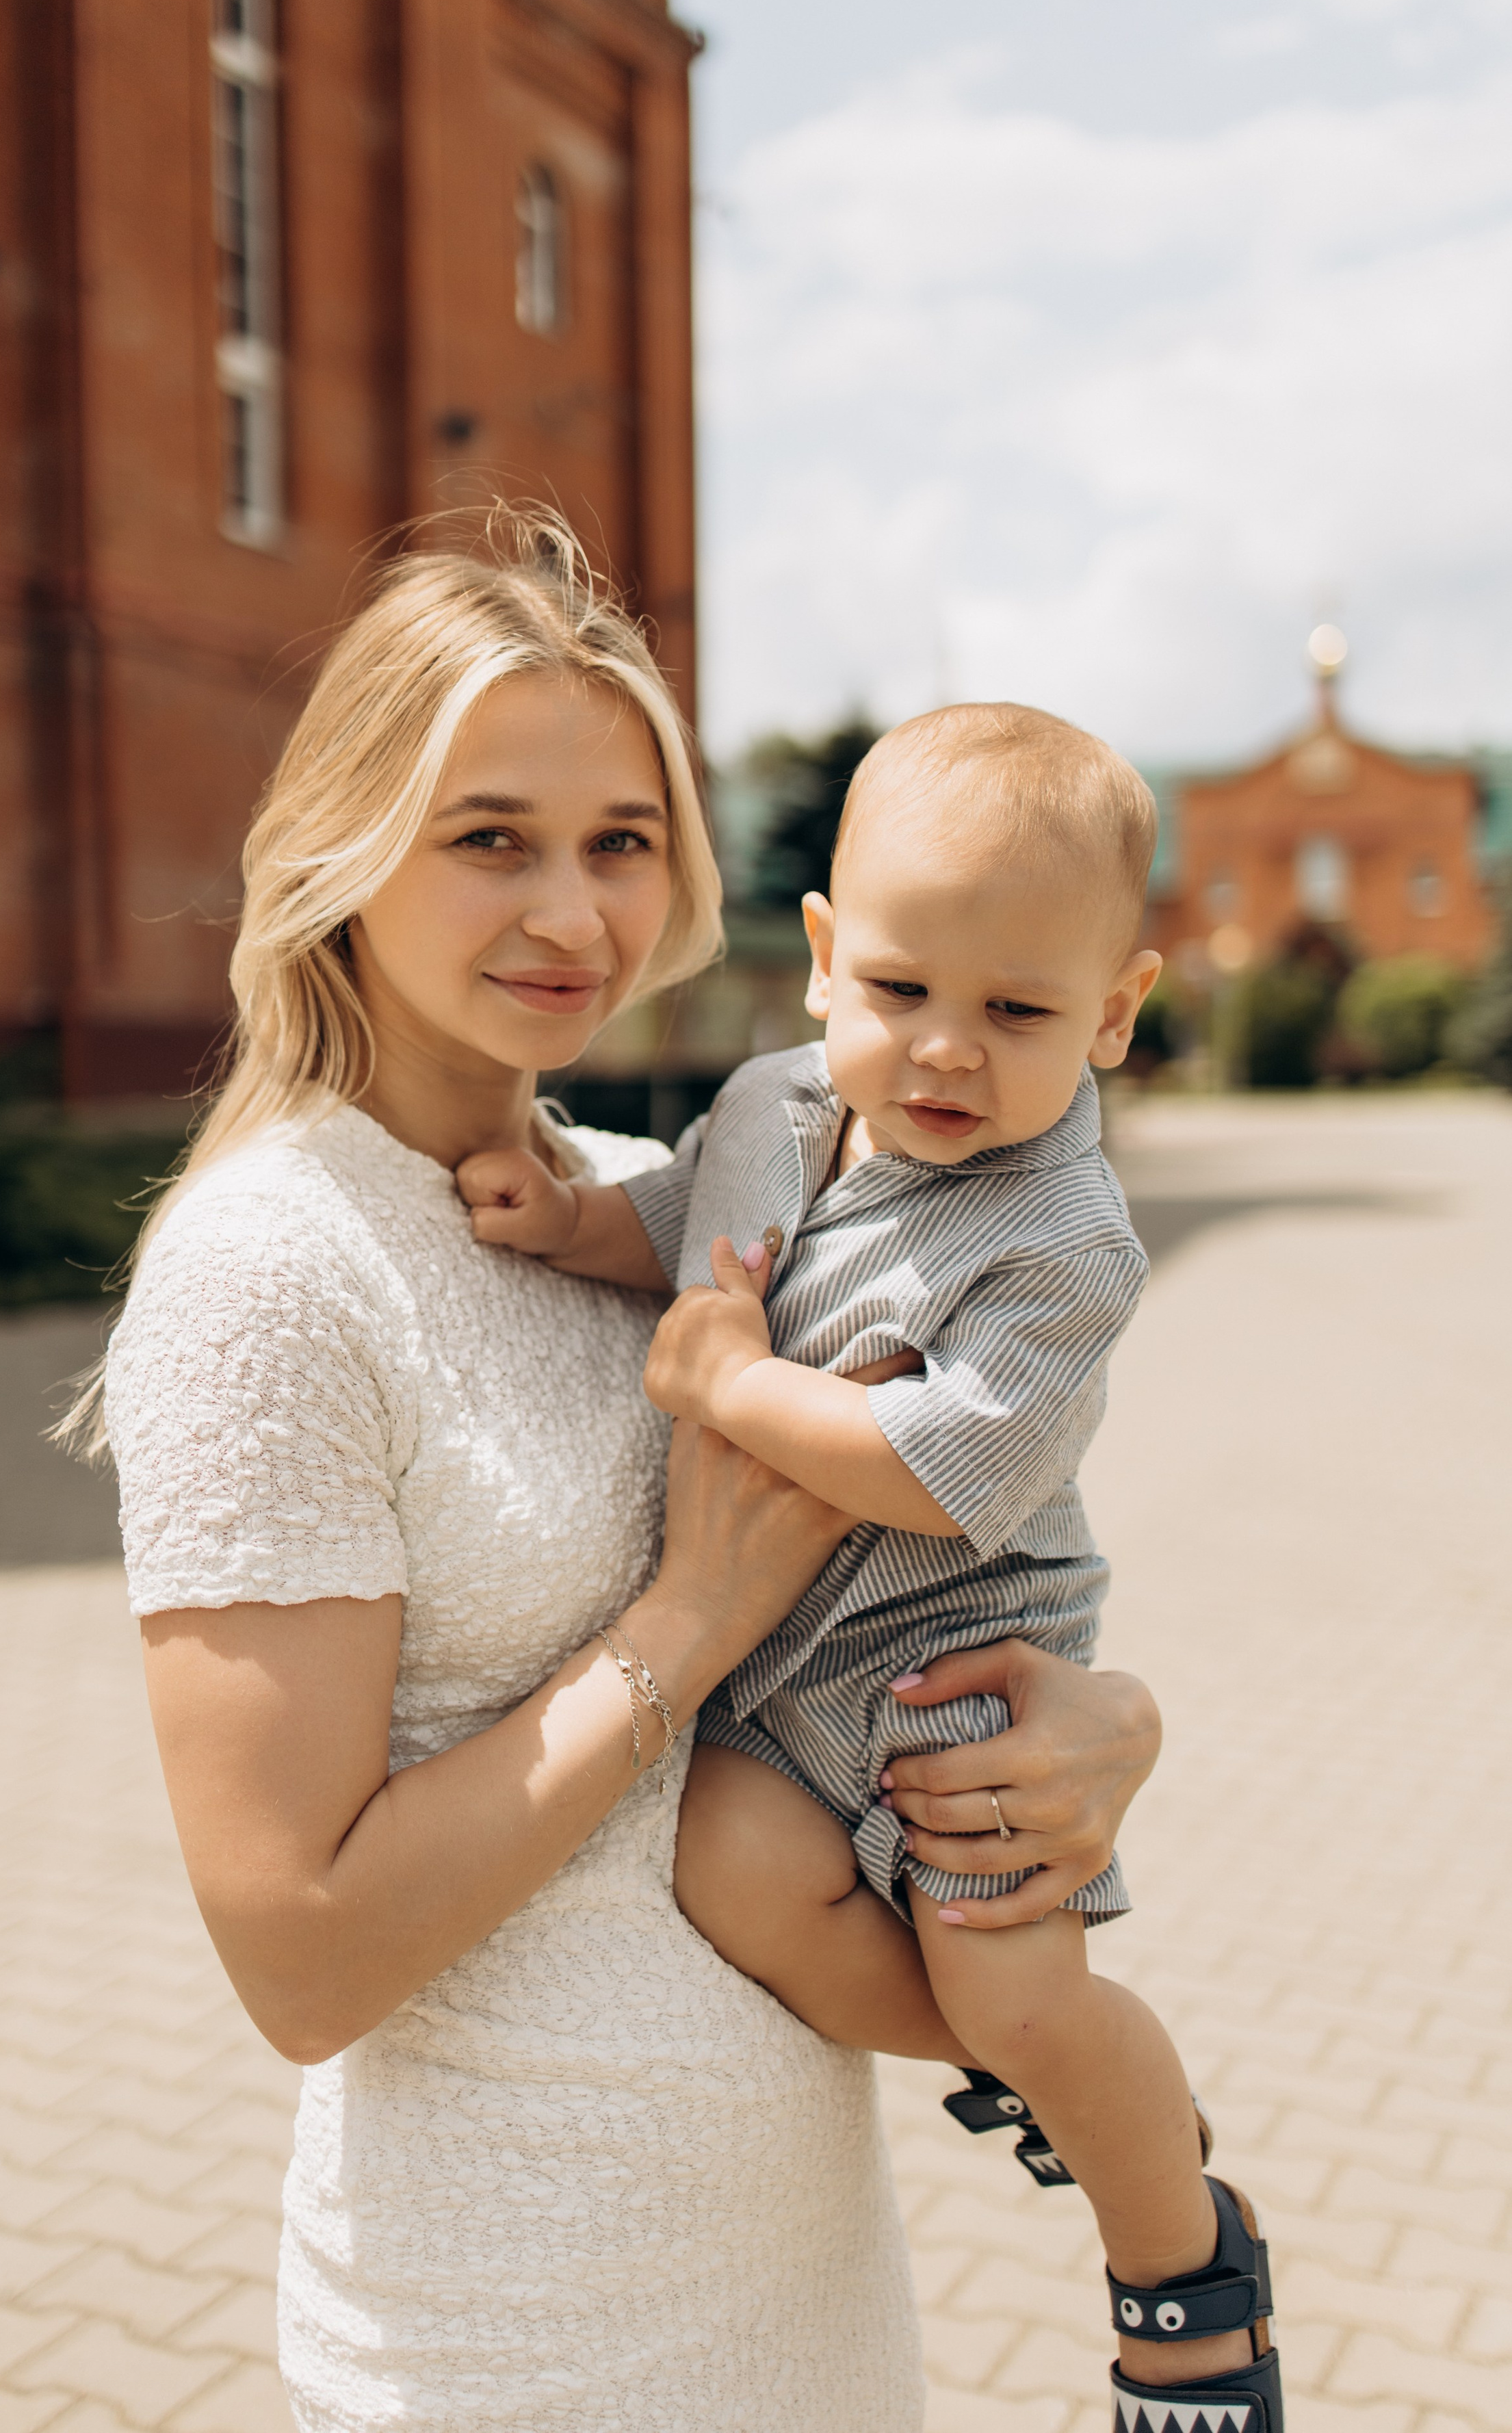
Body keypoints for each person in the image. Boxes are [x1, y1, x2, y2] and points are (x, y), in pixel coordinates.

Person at [79, 520, 1164, 2432]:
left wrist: (1105, 1728)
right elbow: (302, 1962)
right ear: (347, 845)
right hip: (512, 2337)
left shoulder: (677, 1194)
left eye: (621, 840)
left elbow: (960, 1517)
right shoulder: (271, 1272)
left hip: (807, 2296)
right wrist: (692, 1617)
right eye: (489, 837)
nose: (570, 913)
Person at [460, 703, 1283, 2433]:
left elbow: (940, 1461)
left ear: (1114, 1011)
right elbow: (687, 1224)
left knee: (1019, 1993)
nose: (944, 1051)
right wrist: (576, 1225)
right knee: (733, 1874)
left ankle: (1183, 2274)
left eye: (1019, 1013)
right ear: (826, 956)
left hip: (955, 1673)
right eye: (901, 988)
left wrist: (730, 1388)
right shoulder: (769, 1102)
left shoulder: (1061, 1237)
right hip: (779, 1676)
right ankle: (1088, 2103)